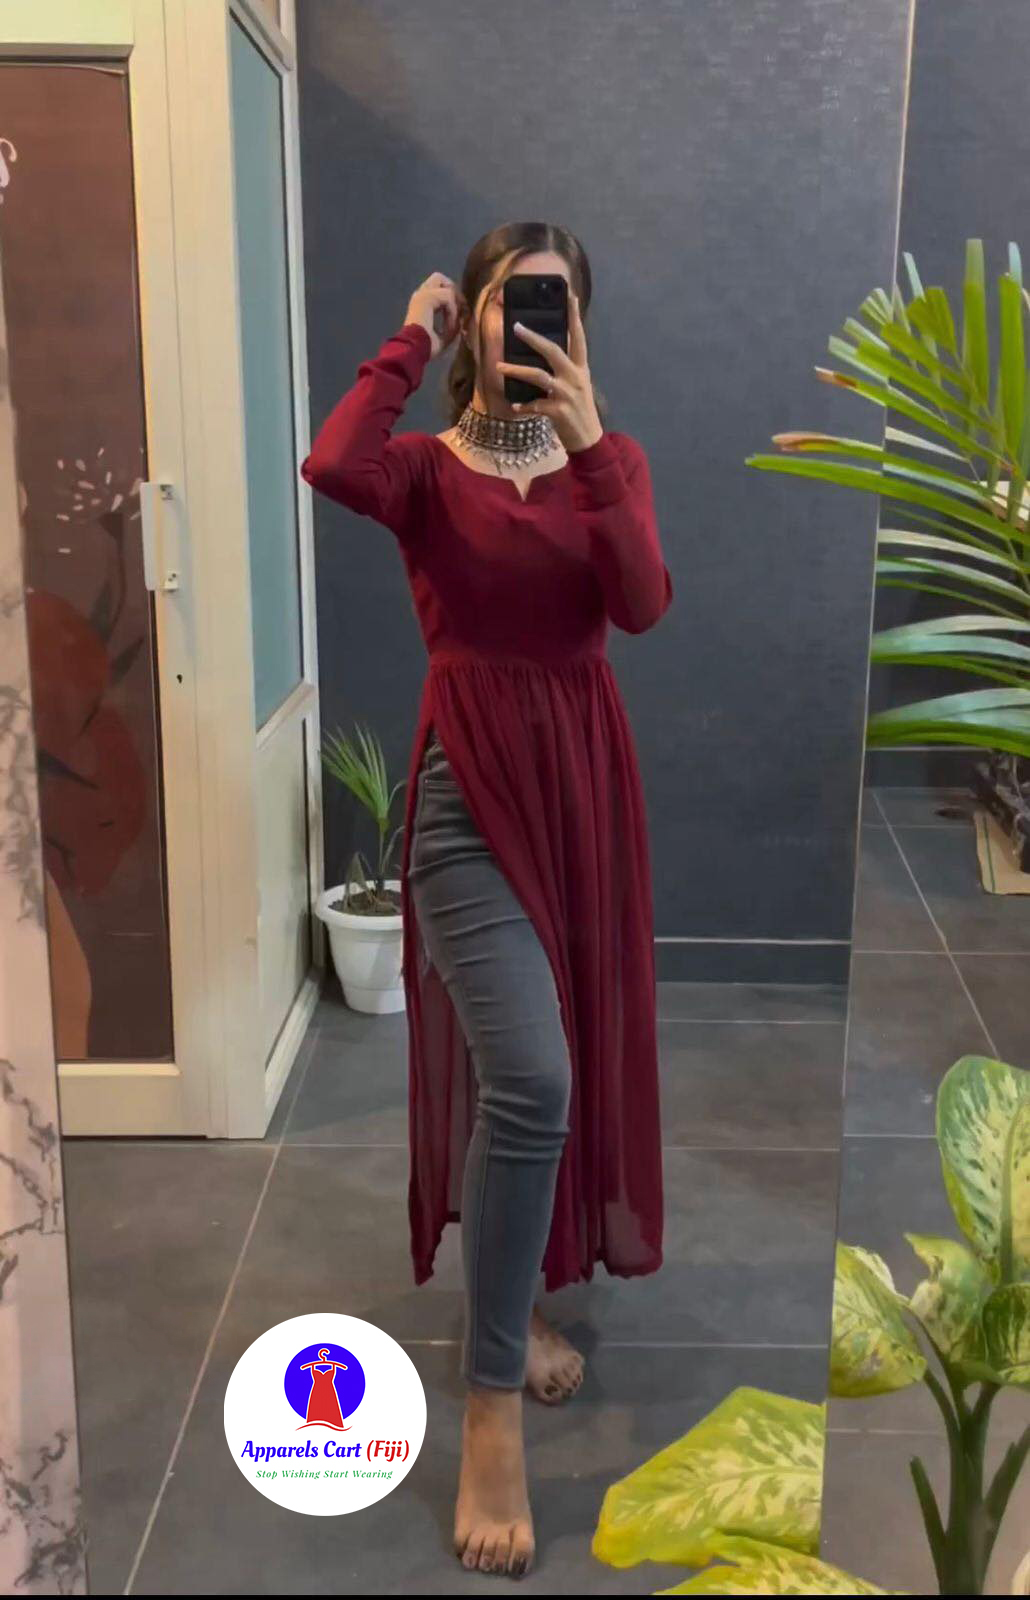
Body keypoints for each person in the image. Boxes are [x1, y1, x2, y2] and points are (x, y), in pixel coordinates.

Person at [300, 221, 673, 1578]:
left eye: (556, 304)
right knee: (530, 1075)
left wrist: (589, 438)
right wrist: (408, 338)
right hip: (467, 796)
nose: (534, 323)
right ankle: (491, 1396)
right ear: (475, 318)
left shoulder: (605, 462)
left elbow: (641, 603)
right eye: (512, 302)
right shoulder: (423, 469)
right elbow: (332, 462)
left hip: (584, 797)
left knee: (541, 1079)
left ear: (582, 326)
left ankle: (518, 1301)